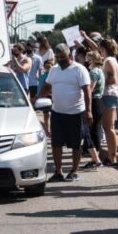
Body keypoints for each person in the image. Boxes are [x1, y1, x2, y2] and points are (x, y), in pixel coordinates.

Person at [40, 43, 92, 182]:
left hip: (76, 113)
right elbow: (47, 86)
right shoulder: (54, 70)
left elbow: (87, 91)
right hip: (57, 113)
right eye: (57, 57)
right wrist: (37, 99)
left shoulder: (79, 69)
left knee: (76, 144)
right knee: (56, 143)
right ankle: (58, 171)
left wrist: (88, 111)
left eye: (62, 57)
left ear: (69, 55)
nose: (60, 59)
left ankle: (74, 171)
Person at [99, 38, 118, 166]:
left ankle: (113, 157)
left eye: (100, 48)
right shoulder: (110, 60)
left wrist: (100, 85)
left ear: (104, 48)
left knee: (109, 127)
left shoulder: (108, 60)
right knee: (107, 127)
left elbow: (112, 79)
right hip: (110, 95)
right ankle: (111, 156)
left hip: (109, 94)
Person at [81, 51, 105, 171]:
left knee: (90, 131)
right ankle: (95, 158)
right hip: (99, 102)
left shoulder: (94, 72)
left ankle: (96, 159)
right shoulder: (99, 70)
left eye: (88, 58)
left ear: (91, 60)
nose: (86, 61)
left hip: (94, 102)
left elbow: (90, 89)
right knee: (94, 130)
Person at [37, 59, 53, 135]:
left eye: (50, 66)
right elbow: (40, 87)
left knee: (53, 115)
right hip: (45, 98)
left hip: (54, 97)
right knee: (46, 114)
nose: (48, 68)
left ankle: (53, 130)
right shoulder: (43, 76)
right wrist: (38, 96)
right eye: (46, 66)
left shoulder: (55, 75)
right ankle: (47, 131)